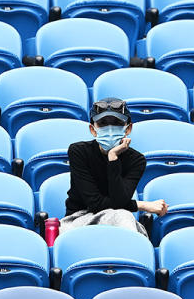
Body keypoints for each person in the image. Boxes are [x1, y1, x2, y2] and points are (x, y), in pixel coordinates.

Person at [60, 98, 168, 236]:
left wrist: (113, 157)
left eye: (117, 123)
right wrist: (141, 205)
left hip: (118, 215)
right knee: (123, 216)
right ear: (93, 130)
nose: (110, 129)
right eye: (103, 123)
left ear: (128, 128)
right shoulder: (78, 151)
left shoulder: (137, 160)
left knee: (123, 216)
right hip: (79, 218)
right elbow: (95, 204)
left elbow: (120, 201)